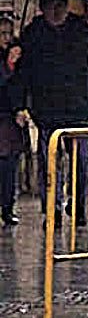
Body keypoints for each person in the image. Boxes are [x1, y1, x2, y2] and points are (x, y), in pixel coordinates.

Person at [13, 0, 88, 216]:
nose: (58, 11)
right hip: (46, 109)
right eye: (53, 6)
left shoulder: (81, 31)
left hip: (79, 107)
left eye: (62, 5)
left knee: (81, 163)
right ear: (43, 8)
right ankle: (52, 209)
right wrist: (20, 104)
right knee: (49, 163)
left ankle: (77, 205)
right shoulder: (33, 33)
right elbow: (23, 73)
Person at [0, 18, 21, 226]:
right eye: (2, 34)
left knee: (10, 164)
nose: (6, 38)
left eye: (9, 33)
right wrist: (8, 65)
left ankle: (7, 207)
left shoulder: (15, 51)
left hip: (10, 117)